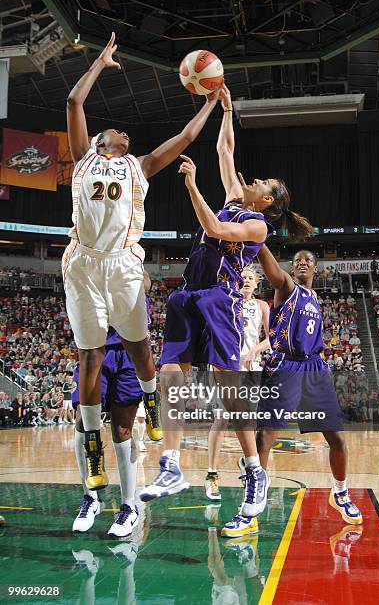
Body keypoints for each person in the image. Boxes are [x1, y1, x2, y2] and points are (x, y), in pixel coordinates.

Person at [140, 85, 313, 525]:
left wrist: (194, 187)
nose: (251, 181)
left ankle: (255, 472)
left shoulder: (256, 226)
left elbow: (215, 228)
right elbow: (224, 146)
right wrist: (227, 106)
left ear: (267, 201)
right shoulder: (238, 195)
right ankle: (172, 466)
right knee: (170, 375)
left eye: (261, 184)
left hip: (222, 301)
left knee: (229, 391)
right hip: (189, 292)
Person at [65, 33, 220, 493]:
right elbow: (75, 100)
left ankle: (152, 401)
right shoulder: (82, 161)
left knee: (138, 345)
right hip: (82, 265)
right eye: (117, 132)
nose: (126, 134)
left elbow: (188, 136)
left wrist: (212, 102)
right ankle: (92, 443)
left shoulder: (141, 165)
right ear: (99, 142)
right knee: (89, 357)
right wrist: (99, 62)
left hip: (124, 262)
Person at [224, 246, 362, 537]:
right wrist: (258, 239)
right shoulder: (286, 287)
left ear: (315, 269)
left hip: (314, 368)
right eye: (298, 260)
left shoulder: (314, 298)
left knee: (337, 439)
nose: (302, 263)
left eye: (308, 261)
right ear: (292, 266)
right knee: (265, 436)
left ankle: (340, 493)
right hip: (285, 365)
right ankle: (252, 506)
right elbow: (271, 267)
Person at [72, 272, 153, 537]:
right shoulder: (87, 256)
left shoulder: (129, 255)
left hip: (128, 352)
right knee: (83, 421)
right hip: (94, 348)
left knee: (122, 429)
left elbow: (145, 283)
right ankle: (91, 499)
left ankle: (129, 505)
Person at [205, 266, 270, 501]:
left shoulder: (262, 306)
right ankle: (211, 475)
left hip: (251, 368)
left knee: (249, 422)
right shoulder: (226, 303)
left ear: (257, 284)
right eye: (242, 278)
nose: (246, 281)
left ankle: (248, 467)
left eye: (251, 278)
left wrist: (254, 349)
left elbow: (272, 338)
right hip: (225, 365)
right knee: (221, 419)